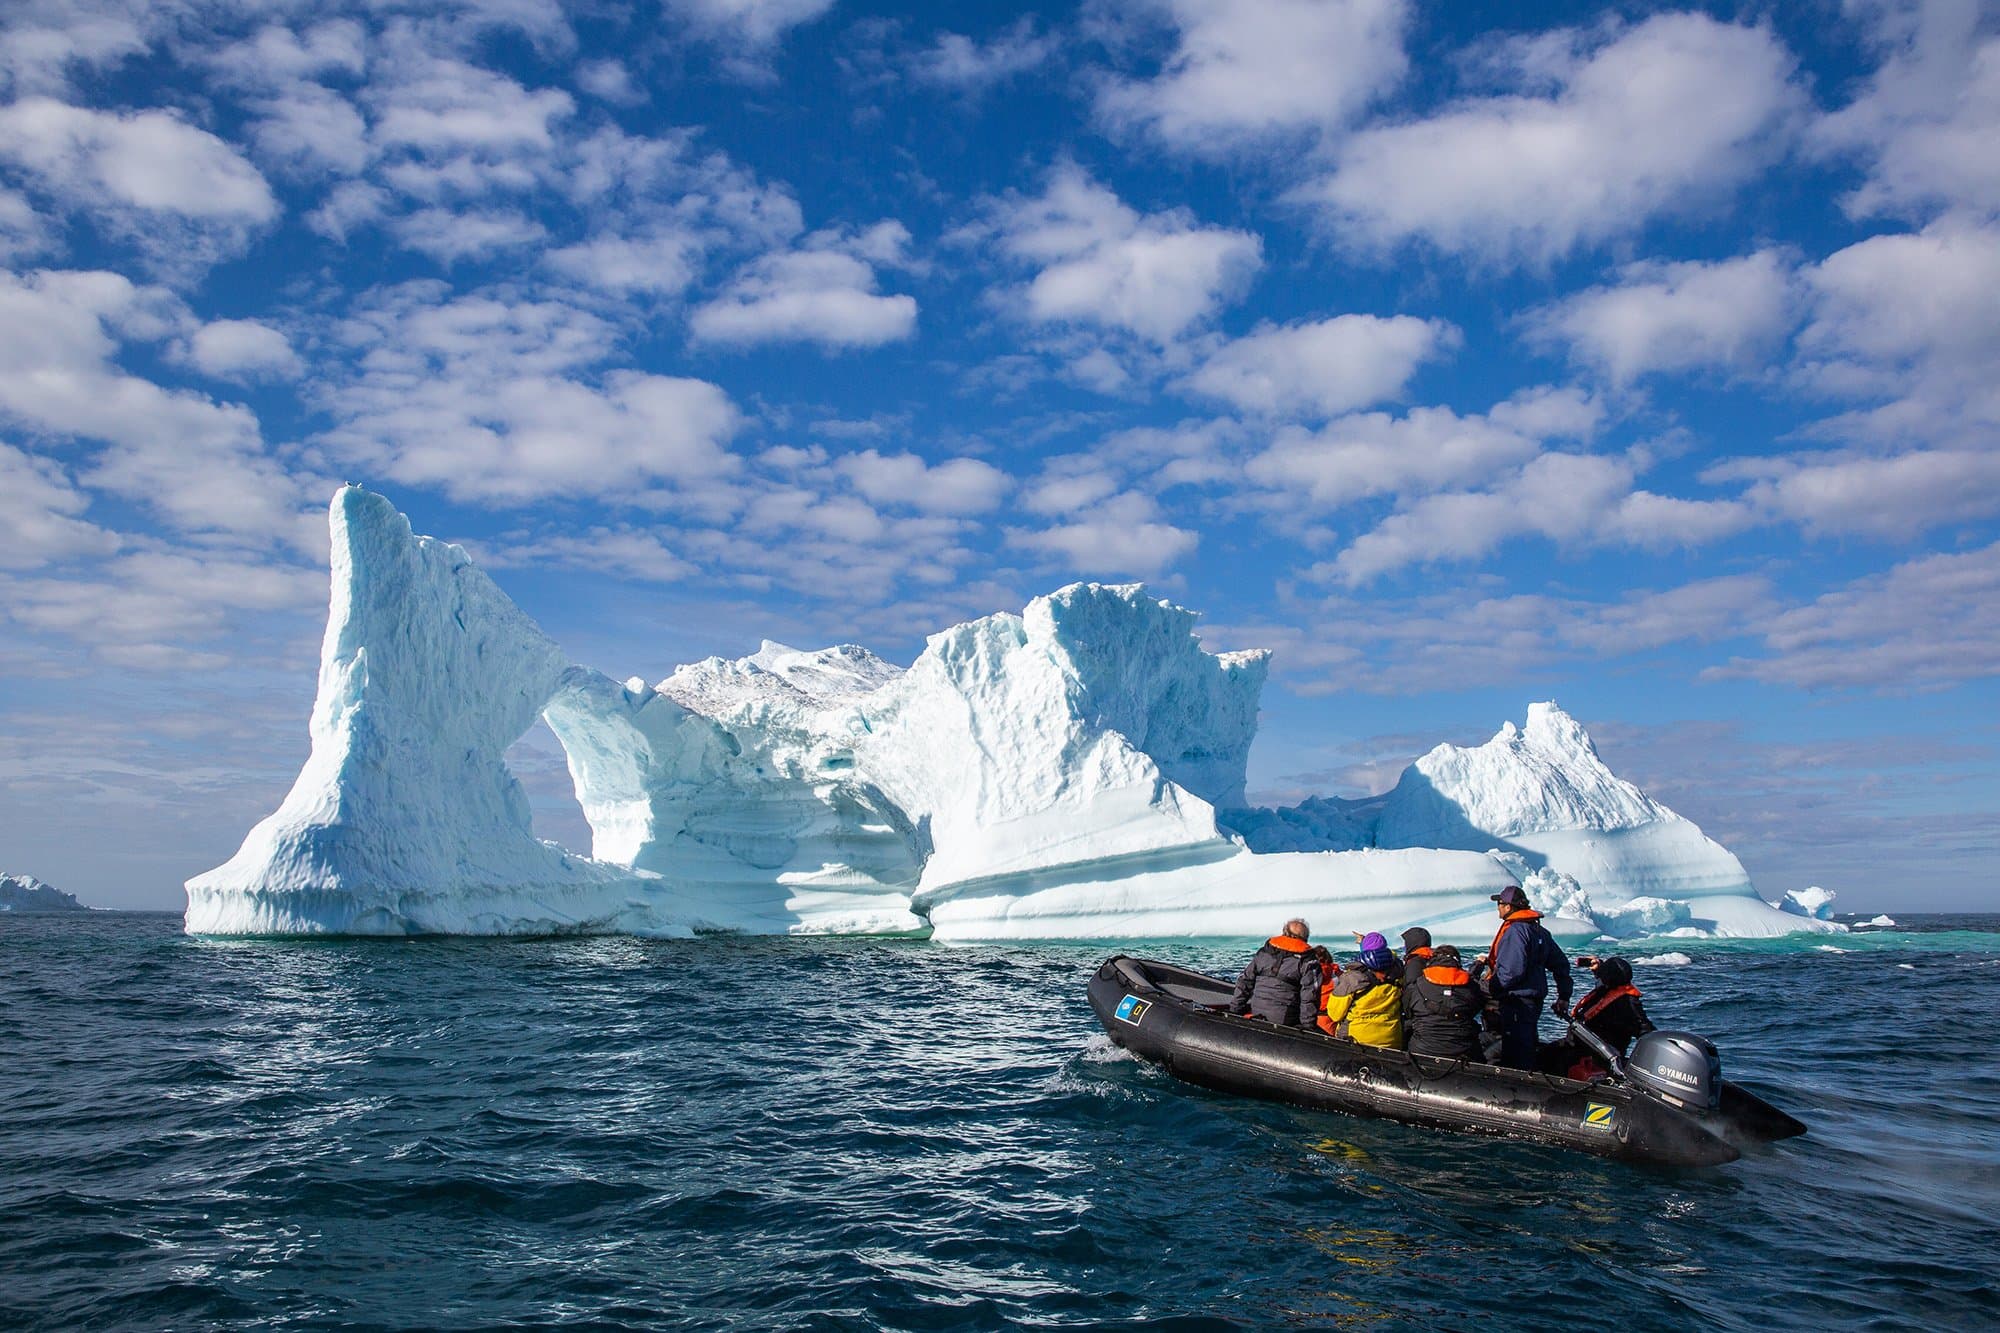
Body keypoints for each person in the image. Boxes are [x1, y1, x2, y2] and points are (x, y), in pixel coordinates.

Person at [1472, 885, 1572, 1070]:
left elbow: (1511, 972)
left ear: (1508, 907)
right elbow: (1561, 964)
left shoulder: (1516, 932)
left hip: (1516, 1001)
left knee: (1515, 1050)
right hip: (1533, 1001)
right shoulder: (1539, 932)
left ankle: (1516, 1088)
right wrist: (1564, 996)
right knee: (1526, 1042)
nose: (1498, 908)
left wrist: (1487, 988)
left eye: (1500, 904)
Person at [1539, 956, 1655, 1078]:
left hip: (1598, 1057)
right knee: (1545, 1051)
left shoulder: (1627, 1003)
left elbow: (1646, 1031)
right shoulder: (1606, 991)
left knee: (1546, 1056)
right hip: (1580, 1047)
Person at [1229, 919, 1322, 1029]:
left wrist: (1234, 1010)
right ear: (1305, 938)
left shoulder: (1264, 952)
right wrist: (1308, 1027)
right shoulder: (1308, 961)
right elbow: (1310, 995)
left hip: (1257, 1010)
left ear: (1284, 932)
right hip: (1285, 1018)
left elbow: (1244, 981)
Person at [1401, 943, 1485, 1061]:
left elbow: (1408, 1012)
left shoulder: (1416, 986)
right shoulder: (1472, 987)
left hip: (1422, 1051)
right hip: (1464, 1052)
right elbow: (1476, 1008)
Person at [1319, 932, 1404, 1048]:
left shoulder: (1351, 978)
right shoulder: (1399, 972)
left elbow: (1335, 1015)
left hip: (1357, 1041)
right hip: (1392, 1039)